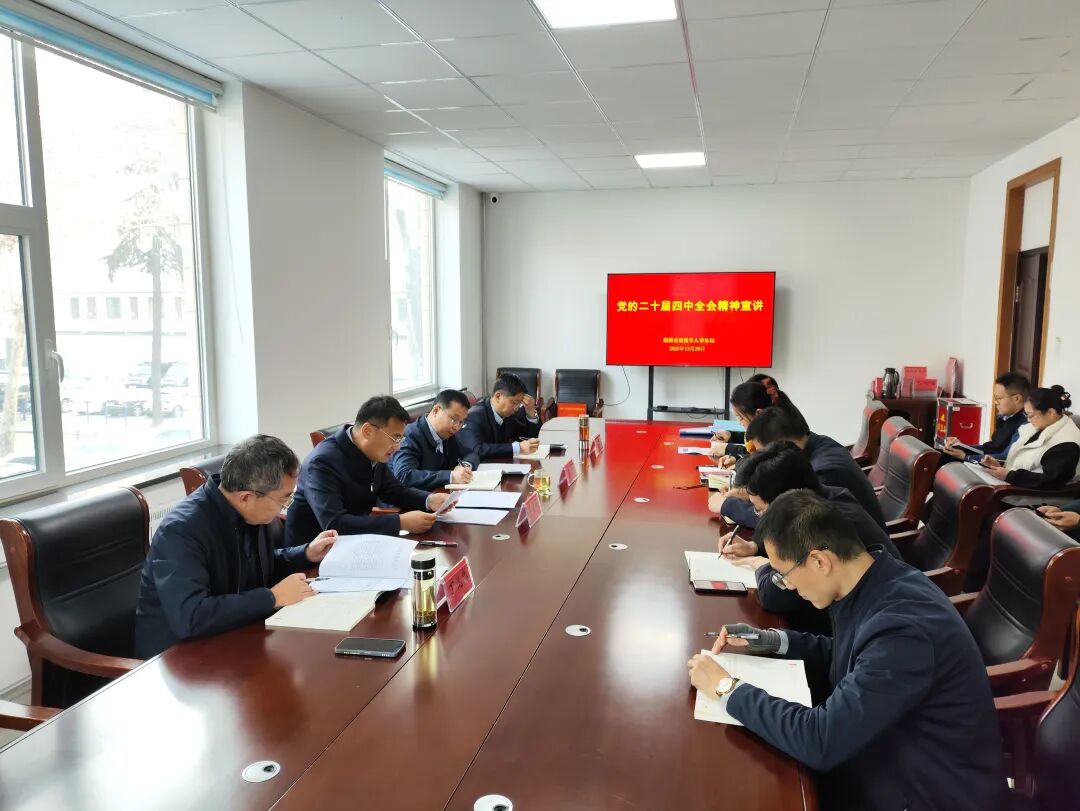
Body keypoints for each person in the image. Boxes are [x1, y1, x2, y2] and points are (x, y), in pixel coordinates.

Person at [687, 490, 1006, 811]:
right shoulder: (878, 579)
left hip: (925, 794)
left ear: (820, 561)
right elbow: (850, 654)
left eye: (784, 576)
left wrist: (726, 688)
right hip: (881, 757)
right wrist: (772, 640)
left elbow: (820, 740)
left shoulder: (903, 631)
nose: (789, 586)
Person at [135, 435, 338, 658]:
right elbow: (191, 616)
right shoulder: (181, 530)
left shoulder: (249, 512)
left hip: (232, 635)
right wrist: (272, 597)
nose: (284, 507)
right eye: (283, 500)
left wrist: (306, 553)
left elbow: (259, 565)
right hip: (177, 658)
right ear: (246, 497)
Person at [718, 442, 900, 629]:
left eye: (760, 510)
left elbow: (773, 597)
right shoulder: (828, 497)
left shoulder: (818, 528)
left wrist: (761, 564)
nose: (760, 517)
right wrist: (755, 547)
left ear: (784, 501)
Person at [285, 395, 450, 544]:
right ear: (368, 431)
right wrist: (400, 522)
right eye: (395, 438)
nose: (398, 447)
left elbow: (394, 491)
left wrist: (429, 500)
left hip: (355, 542)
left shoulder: (373, 450)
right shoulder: (321, 462)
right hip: (313, 554)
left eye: (401, 438)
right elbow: (335, 524)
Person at [745, 406, 886, 528]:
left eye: (763, 453)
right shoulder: (818, 442)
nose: (763, 460)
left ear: (780, 444)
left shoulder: (823, 472)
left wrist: (733, 504)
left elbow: (793, 521)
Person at [977, 385, 1080, 488]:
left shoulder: (1066, 443)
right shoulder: (1036, 427)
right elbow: (1026, 463)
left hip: (1034, 495)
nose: (1028, 420)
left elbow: (1052, 481)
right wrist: (999, 466)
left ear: (1050, 412)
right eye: (1027, 415)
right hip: (1014, 485)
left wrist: (1009, 475)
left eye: (1030, 415)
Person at [391, 389, 476, 489]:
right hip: (411, 497)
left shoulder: (448, 433)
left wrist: (465, 466)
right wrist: (450, 476)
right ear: (436, 410)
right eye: (454, 419)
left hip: (439, 494)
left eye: (461, 422)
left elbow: (471, 454)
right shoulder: (409, 436)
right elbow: (404, 475)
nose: (457, 427)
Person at [941, 372, 1029, 462]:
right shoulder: (1005, 417)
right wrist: (962, 446)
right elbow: (992, 448)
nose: (996, 402)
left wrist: (966, 457)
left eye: (999, 398)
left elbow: (1005, 458)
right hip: (989, 461)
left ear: (1017, 398)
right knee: (947, 452)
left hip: (999, 466)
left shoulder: (1025, 425)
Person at [711, 381, 808, 460]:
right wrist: (731, 436)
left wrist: (729, 449)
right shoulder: (774, 425)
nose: (740, 423)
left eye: (741, 417)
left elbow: (759, 461)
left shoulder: (776, 437)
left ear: (758, 414)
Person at [457, 373, 541, 461]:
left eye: (519, 403)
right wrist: (518, 447)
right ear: (498, 396)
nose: (516, 408)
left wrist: (531, 412)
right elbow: (478, 450)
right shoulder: (474, 416)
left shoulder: (508, 413)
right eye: (515, 402)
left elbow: (526, 437)